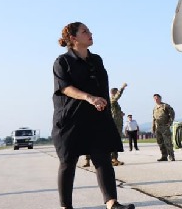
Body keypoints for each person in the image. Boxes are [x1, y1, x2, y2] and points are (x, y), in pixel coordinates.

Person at [51, 22, 135, 209]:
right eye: (85, 31)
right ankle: (66, 206)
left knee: (103, 159)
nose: (90, 33)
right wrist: (89, 98)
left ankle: (112, 203)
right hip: (70, 118)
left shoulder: (96, 60)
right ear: (73, 38)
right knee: (68, 162)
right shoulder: (62, 62)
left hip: (96, 117)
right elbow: (64, 88)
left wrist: (102, 104)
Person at [152, 93, 176, 161]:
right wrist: (153, 128)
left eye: (157, 98)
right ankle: (164, 156)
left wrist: (170, 123)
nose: (156, 100)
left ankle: (171, 156)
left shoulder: (165, 106)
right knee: (160, 142)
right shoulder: (155, 108)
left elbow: (172, 114)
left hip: (165, 127)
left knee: (168, 142)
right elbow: (153, 118)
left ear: (160, 98)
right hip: (158, 127)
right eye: (154, 99)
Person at [109, 83, 127, 165]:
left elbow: (113, 112)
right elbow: (117, 96)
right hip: (114, 124)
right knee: (114, 141)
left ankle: (113, 159)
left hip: (116, 124)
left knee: (114, 141)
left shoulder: (113, 102)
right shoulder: (112, 99)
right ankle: (113, 159)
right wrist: (122, 88)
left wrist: (120, 113)